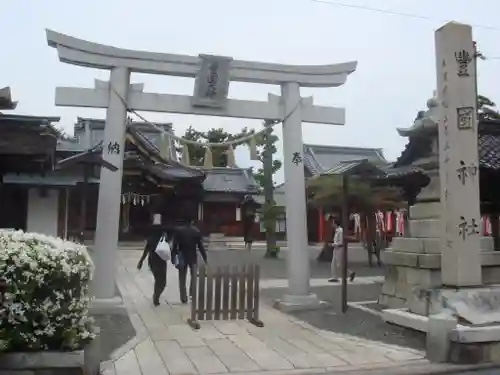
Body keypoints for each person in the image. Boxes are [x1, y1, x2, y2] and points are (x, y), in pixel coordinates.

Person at [171, 218, 208, 304]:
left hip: (182, 256)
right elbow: (200, 246)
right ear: (192, 222)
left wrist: (173, 257)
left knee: (182, 278)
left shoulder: (178, 231)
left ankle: (183, 297)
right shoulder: (196, 231)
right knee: (194, 276)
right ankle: (192, 293)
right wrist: (205, 258)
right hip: (192, 257)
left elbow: (174, 246)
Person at [137, 222, 169, 307]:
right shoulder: (163, 239)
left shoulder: (151, 239)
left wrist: (141, 261)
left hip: (152, 261)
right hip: (161, 261)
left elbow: (145, 251)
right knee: (162, 281)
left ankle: (156, 295)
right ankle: (156, 295)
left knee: (157, 279)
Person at [328, 217, 356, 283]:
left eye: (333, 223)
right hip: (336, 249)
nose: (332, 224)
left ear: (336, 223)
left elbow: (341, 242)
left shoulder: (340, 231)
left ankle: (351, 273)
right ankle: (334, 277)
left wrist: (332, 245)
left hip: (340, 249)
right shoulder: (336, 230)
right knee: (333, 264)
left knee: (340, 265)